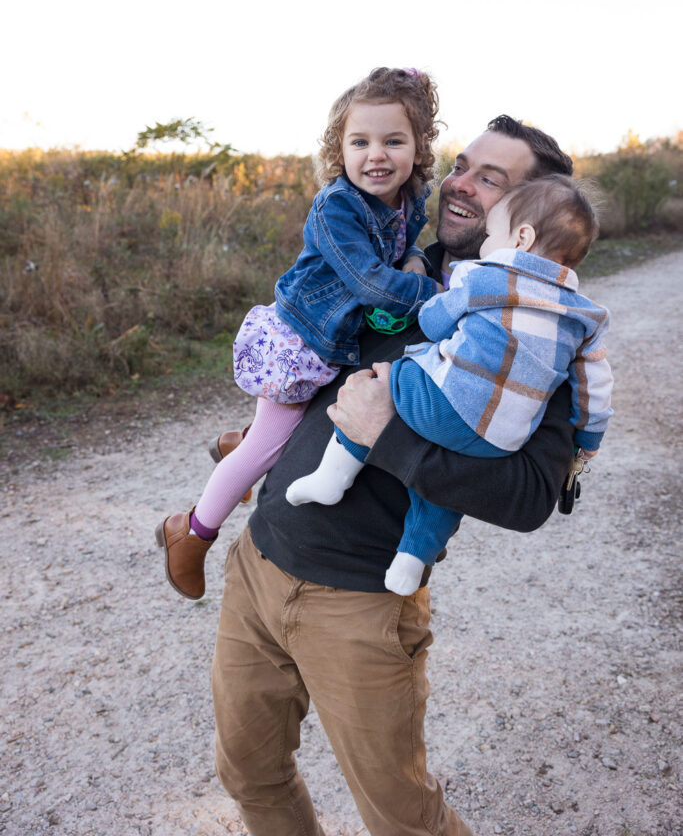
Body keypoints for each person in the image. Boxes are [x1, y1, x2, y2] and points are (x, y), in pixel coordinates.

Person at [210, 114, 579, 836]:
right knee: (251, 777)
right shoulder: (399, 264)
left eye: (490, 178)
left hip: (358, 602)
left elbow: (532, 497)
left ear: (529, 216)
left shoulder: (535, 330)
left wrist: (388, 438)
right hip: (257, 563)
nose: (459, 183)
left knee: (402, 818)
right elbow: (320, 372)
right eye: (463, 164)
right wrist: (253, 445)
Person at [156, 67, 444, 599]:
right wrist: (440, 297)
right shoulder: (337, 207)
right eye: (360, 142)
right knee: (267, 450)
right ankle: (192, 532)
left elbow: (403, 247)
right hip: (301, 341)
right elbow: (369, 281)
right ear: (340, 148)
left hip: (335, 340)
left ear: (419, 148)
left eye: (393, 141)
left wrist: (417, 258)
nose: (375, 155)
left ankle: (236, 440)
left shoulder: (409, 197)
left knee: (296, 425)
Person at [286, 173, 613, 595]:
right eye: (461, 167)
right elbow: (596, 389)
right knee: (444, 491)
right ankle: (413, 556)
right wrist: (589, 435)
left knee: (388, 378)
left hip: (441, 405)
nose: (485, 240)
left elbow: (433, 321)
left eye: (493, 231)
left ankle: (334, 474)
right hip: (499, 439)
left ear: (523, 238)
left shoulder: (484, 277)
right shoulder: (585, 316)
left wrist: (431, 313)